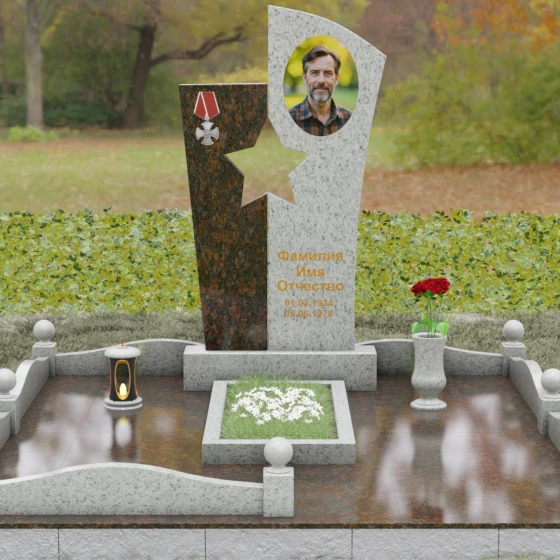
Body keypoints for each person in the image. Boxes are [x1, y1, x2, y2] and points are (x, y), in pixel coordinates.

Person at [289, 45, 352, 136]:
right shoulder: (289, 120)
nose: (321, 80)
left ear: (336, 78)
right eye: (314, 73)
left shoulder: (349, 120)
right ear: (304, 78)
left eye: (328, 73)